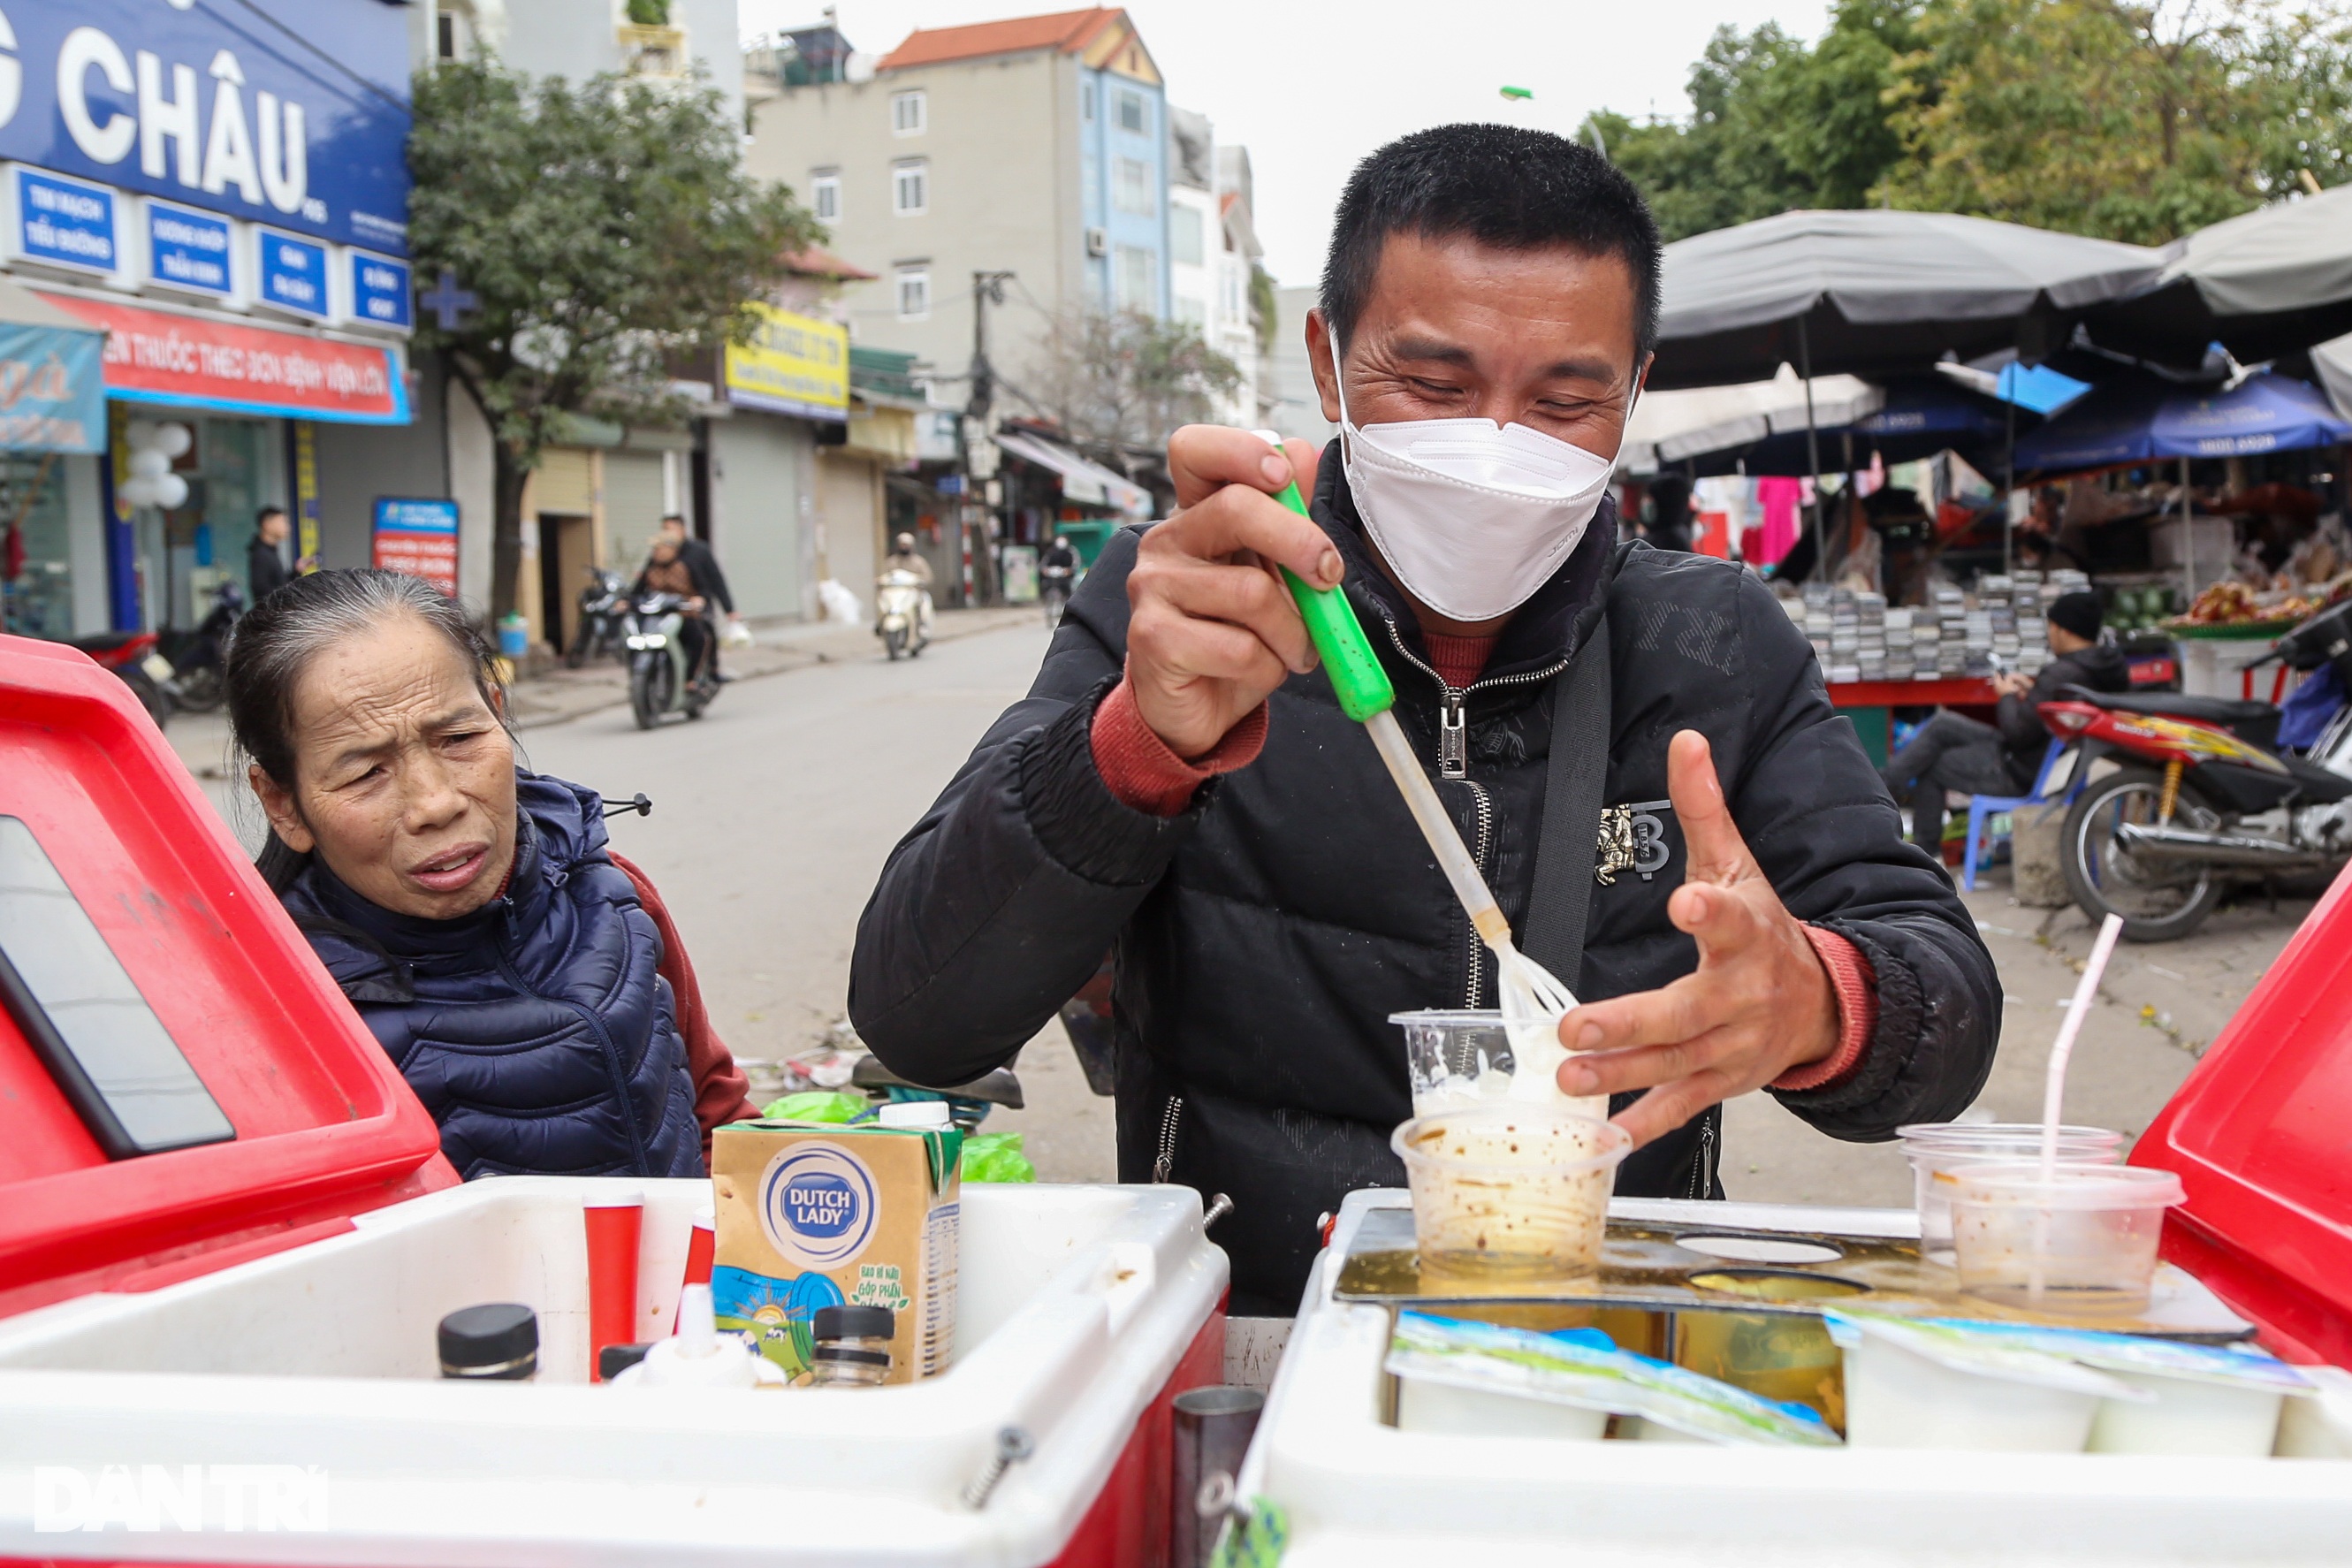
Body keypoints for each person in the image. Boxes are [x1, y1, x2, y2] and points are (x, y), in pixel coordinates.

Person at [849, 125, 1999, 1313]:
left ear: (1634, 389)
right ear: (1327, 355)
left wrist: (1816, 999)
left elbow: (1942, 1004)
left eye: (1565, 398)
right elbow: (916, 1014)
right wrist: (1134, 750)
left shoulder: (1713, 641)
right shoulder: (1186, 613)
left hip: (1594, 1343)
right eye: (1435, 386)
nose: (1495, 448)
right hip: (1250, 1344)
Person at [225, 569, 753, 1178]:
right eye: (365, 773)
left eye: (458, 737)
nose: (436, 803)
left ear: (496, 713)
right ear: (283, 802)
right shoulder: (272, 1012)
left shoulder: (612, 895)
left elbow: (718, 1118)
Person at [1881, 590, 2128, 846]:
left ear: (2064, 631)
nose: (2050, 634)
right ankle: (1885, 788)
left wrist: (2007, 695)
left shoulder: (2060, 673)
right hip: (2044, 758)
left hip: (2022, 770)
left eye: (2051, 627)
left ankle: (1918, 843)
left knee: (1931, 765)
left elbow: (2017, 732)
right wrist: (2033, 691)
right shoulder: (2103, 667)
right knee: (1944, 725)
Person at [657, 514, 740, 677]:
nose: (668, 533)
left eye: (670, 529)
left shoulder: (698, 551)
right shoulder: (660, 554)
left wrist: (729, 609)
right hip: (666, 608)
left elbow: (715, 579)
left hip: (694, 606)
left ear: (682, 529)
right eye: (664, 529)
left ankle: (710, 671)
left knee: (704, 634)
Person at [635, 535, 716, 689]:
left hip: (683, 615)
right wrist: (625, 602)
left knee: (699, 638)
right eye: (655, 549)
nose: (657, 552)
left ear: (672, 550)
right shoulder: (651, 568)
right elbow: (636, 591)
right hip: (656, 618)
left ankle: (690, 678)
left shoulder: (687, 565)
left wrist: (698, 599)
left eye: (660, 548)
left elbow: (704, 589)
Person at [247, 506, 309, 605]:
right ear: (267, 524)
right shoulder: (261, 555)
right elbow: (263, 592)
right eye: (283, 522)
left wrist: (296, 571)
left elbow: (280, 584)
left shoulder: (271, 552)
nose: (287, 527)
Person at [881, 531, 935, 638]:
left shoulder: (919, 562)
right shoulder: (892, 562)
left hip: (913, 591)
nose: (904, 547)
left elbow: (928, 576)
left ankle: (921, 625)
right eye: (902, 544)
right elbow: (884, 576)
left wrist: (920, 581)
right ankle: (880, 624)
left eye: (906, 545)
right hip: (896, 592)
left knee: (921, 603)